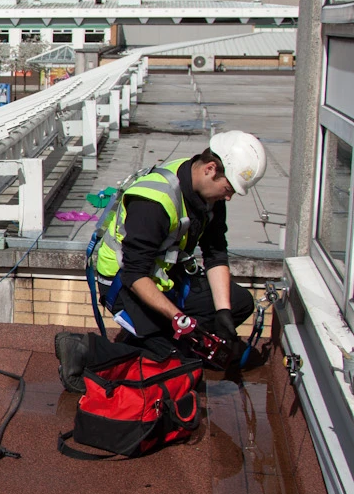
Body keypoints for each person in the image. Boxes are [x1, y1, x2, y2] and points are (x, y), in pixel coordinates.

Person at [56, 130, 267, 390]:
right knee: (173, 365)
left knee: (240, 303)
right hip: (124, 284)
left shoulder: (207, 193)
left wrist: (223, 313)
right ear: (211, 169)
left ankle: (167, 344)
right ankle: (83, 349)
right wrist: (180, 319)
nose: (229, 197)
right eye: (229, 188)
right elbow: (134, 275)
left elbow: (215, 252)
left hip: (165, 276)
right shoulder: (154, 200)